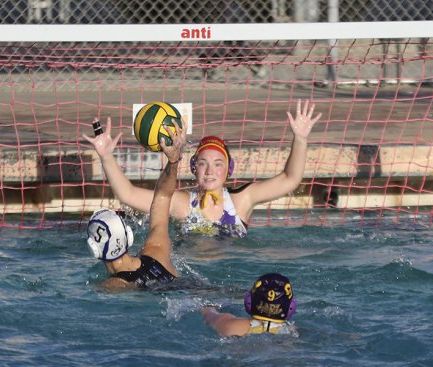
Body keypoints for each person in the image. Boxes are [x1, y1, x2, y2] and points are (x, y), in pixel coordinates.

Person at [82, 99, 322, 239]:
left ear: (228, 169)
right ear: (194, 168)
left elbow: (290, 180)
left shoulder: (242, 200)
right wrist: (106, 156)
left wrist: (300, 139)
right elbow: (128, 195)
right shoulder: (182, 204)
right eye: (203, 164)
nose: (210, 171)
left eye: (218, 165)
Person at [85, 120, 186, 289]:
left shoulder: (113, 286)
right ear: (128, 236)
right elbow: (163, 196)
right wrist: (174, 160)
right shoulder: (156, 252)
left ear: (93, 249)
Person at [200, 273, 297, 336]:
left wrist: (210, 307)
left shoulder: (231, 325)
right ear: (291, 307)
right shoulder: (293, 332)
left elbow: (207, 312)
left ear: (249, 301)